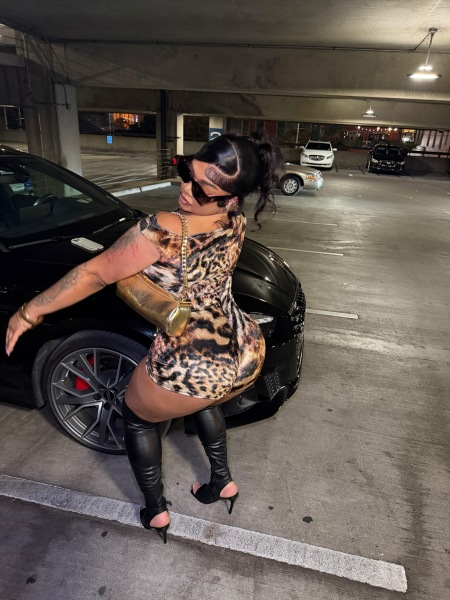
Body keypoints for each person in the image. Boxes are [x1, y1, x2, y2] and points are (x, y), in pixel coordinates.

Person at [5, 133, 284, 544]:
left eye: (201, 191)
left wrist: (29, 312)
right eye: (186, 172)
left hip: (190, 361)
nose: (185, 189)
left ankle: (155, 512)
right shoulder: (235, 219)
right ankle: (222, 482)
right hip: (242, 349)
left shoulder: (163, 229)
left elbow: (93, 273)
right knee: (204, 400)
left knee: (137, 417)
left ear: (230, 199)